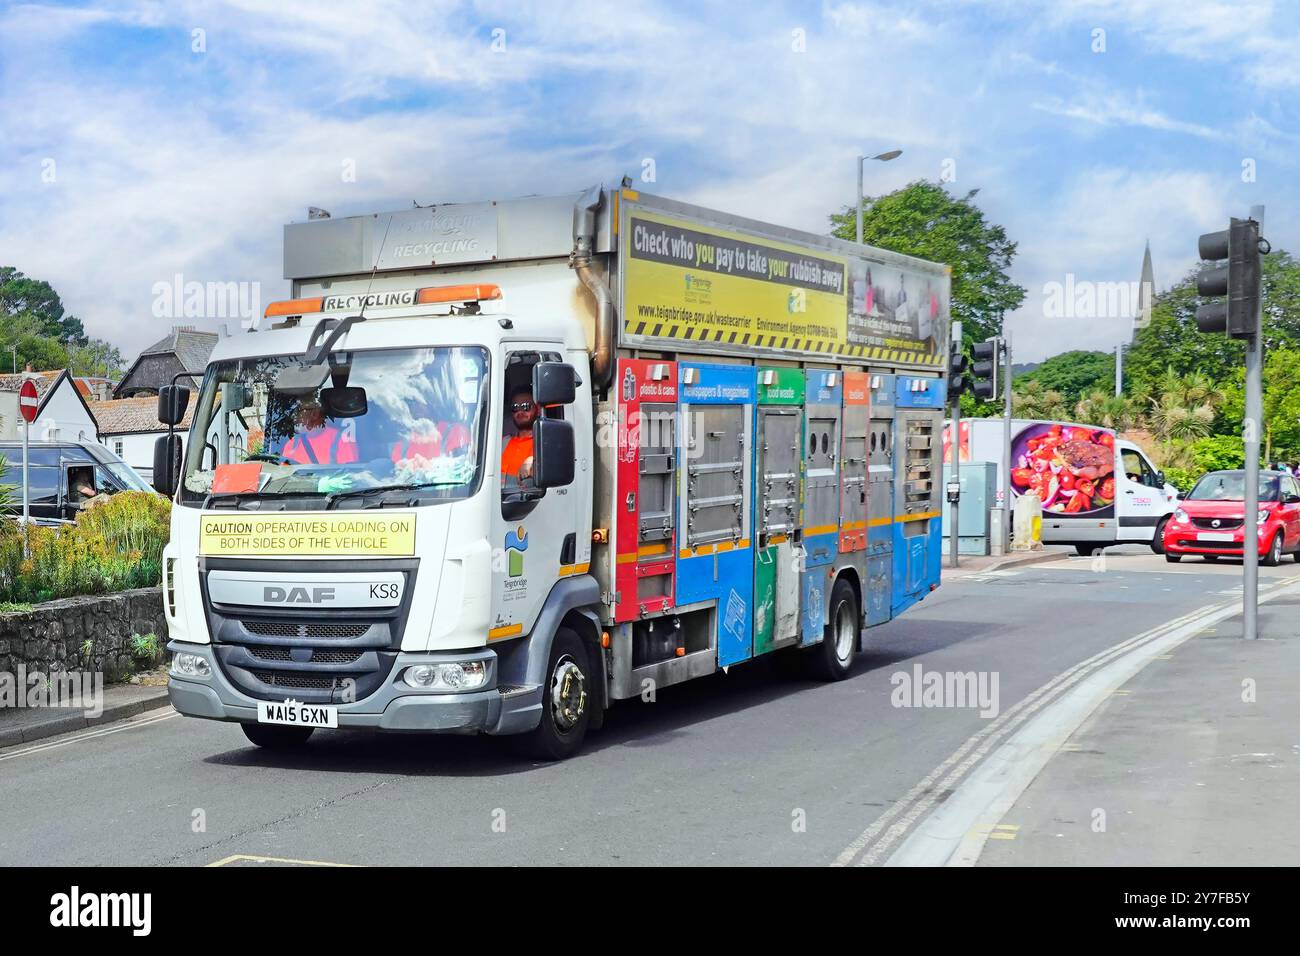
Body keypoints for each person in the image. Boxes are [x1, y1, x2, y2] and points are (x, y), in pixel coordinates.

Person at [281, 399, 358, 465]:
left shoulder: (343, 440)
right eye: (298, 412)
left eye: (304, 411)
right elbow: (283, 474)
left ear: (317, 413)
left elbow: (349, 475)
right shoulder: (293, 443)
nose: (297, 417)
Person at [501, 386, 538, 483]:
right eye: (515, 407)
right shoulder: (501, 443)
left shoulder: (545, 443)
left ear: (537, 409)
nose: (520, 411)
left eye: (526, 406)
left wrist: (534, 461)